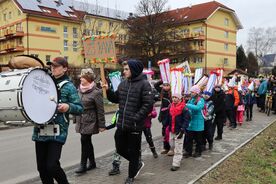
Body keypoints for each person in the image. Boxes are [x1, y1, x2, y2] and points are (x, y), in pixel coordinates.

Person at [32, 57, 83, 184]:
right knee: (42, 168)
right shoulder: (44, 82)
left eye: (56, 66)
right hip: (41, 128)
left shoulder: (69, 86)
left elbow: (80, 108)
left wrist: (68, 107)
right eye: (51, 66)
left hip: (58, 130)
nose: (52, 68)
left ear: (64, 68)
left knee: (52, 166)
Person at [102, 59, 154, 184]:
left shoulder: (144, 84)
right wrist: (108, 90)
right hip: (122, 124)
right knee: (119, 148)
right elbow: (115, 99)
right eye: (124, 69)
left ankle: (131, 176)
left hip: (135, 126)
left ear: (134, 70)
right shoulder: (123, 84)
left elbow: (148, 105)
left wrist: (136, 118)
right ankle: (137, 163)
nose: (124, 71)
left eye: (126, 69)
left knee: (134, 150)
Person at [74, 69, 106, 174]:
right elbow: (76, 104)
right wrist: (75, 118)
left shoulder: (96, 92)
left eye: (83, 77)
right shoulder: (78, 90)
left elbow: (100, 110)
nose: (80, 78)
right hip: (80, 119)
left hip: (90, 120)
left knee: (84, 140)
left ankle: (83, 165)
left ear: (88, 79)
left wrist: (102, 125)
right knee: (87, 141)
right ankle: (92, 163)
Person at [165, 94, 190, 171]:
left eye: (176, 97)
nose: (174, 99)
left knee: (178, 147)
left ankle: (176, 164)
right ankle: (179, 155)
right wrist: (165, 125)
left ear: (180, 99)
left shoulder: (184, 108)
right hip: (172, 130)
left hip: (179, 130)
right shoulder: (170, 106)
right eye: (173, 97)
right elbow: (168, 117)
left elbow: (187, 120)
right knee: (172, 144)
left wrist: (182, 130)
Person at [183, 85, 205, 158]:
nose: (191, 93)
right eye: (191, 92)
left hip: (198, 123)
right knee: (189, 139)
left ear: (196, 93)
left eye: (192, 92)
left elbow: (198, 108)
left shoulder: (201, 100)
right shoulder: (191, 99)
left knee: (198, 139)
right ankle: (188, 152)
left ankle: (198, 152)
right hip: (191, 122)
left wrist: (187, 105)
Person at [154, 81, 172, 154]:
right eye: (164, 85)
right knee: (164, 131)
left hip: (172, 114)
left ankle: (172, 148)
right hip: (164, 115)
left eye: (168, 85)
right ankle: (166, 147)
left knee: (171, 131)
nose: (166, 87)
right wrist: (163, 79)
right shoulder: (162, 91)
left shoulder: (173, 91)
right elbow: (155, 85)